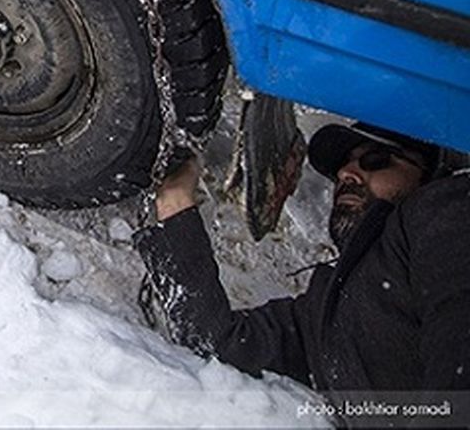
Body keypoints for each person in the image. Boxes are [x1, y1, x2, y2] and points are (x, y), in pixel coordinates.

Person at [135, 122, 469, 398]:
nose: (348, 173)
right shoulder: (323, 308)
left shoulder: (444, 213)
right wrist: (174, 200)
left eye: (375, 159)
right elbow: (219, 345)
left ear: (432, 174)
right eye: (343, 166)